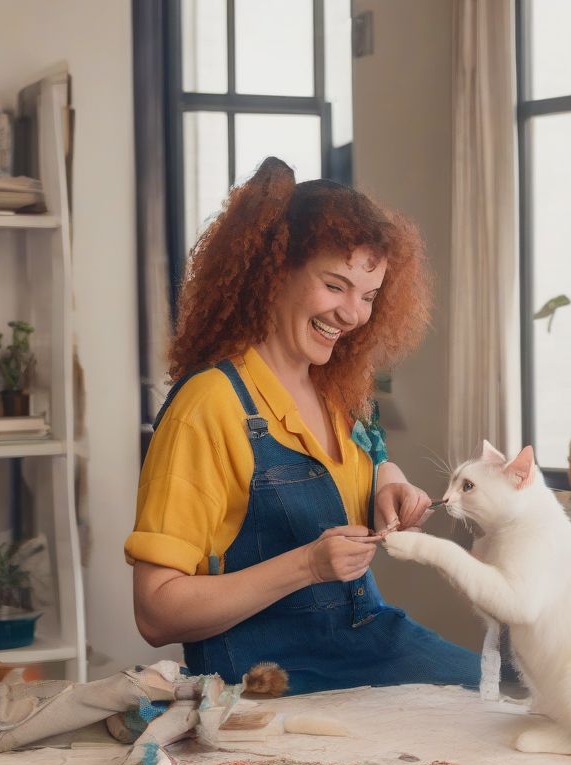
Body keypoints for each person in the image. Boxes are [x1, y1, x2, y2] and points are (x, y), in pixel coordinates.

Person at [125, 156, 480, 694]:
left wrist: (390, 484)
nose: (354, 315)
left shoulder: (338, 390)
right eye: (335, 286)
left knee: (517, 695)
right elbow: (156, 613)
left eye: (369, 295)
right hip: (268, 682)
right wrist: (310, 565)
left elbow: (371, 456)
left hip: (367, 645)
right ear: (273, 273)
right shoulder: (207, 407)